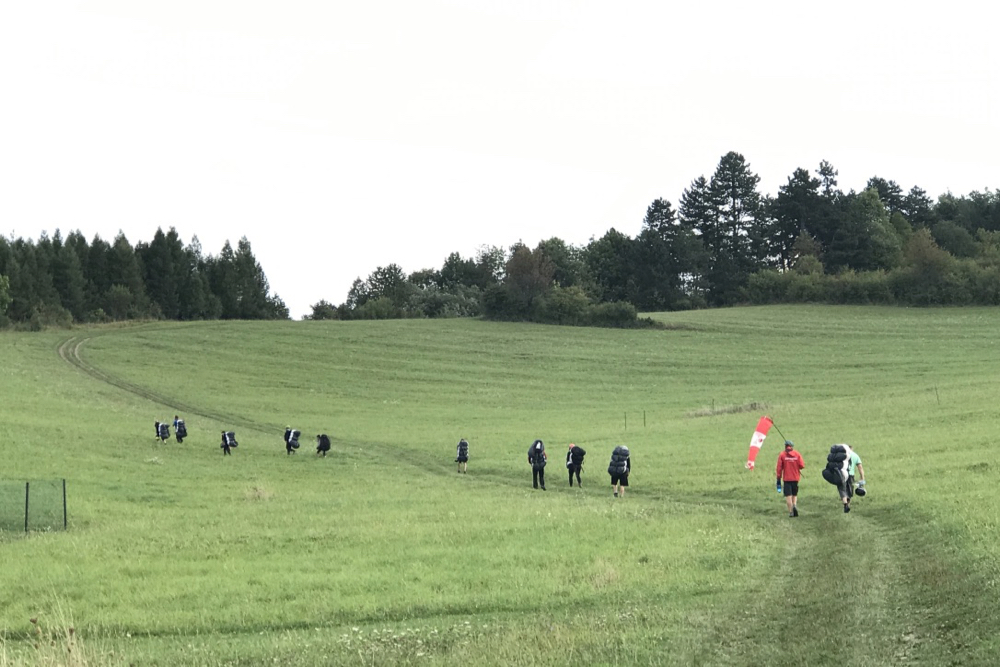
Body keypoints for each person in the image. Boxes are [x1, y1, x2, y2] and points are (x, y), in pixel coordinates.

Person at [822, 444, 865, 513]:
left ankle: (845, 503)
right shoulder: (855, 455)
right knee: (849, 491)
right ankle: (848, 504)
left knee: (841, 489)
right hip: (851, 475)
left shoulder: (842, 456)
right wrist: (862, 477)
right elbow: (860, 467)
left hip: (841, 473)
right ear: (852, 449)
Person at [776, 440, 805, 517]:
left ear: (785, 446)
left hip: (787, 479)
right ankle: (794, 505)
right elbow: (802, 465)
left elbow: (779, 468)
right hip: (795, 478)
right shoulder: (797, 454)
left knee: (788, 495)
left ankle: (791, 512)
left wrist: (778, 477)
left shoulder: (782, 455)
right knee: (794, 494)